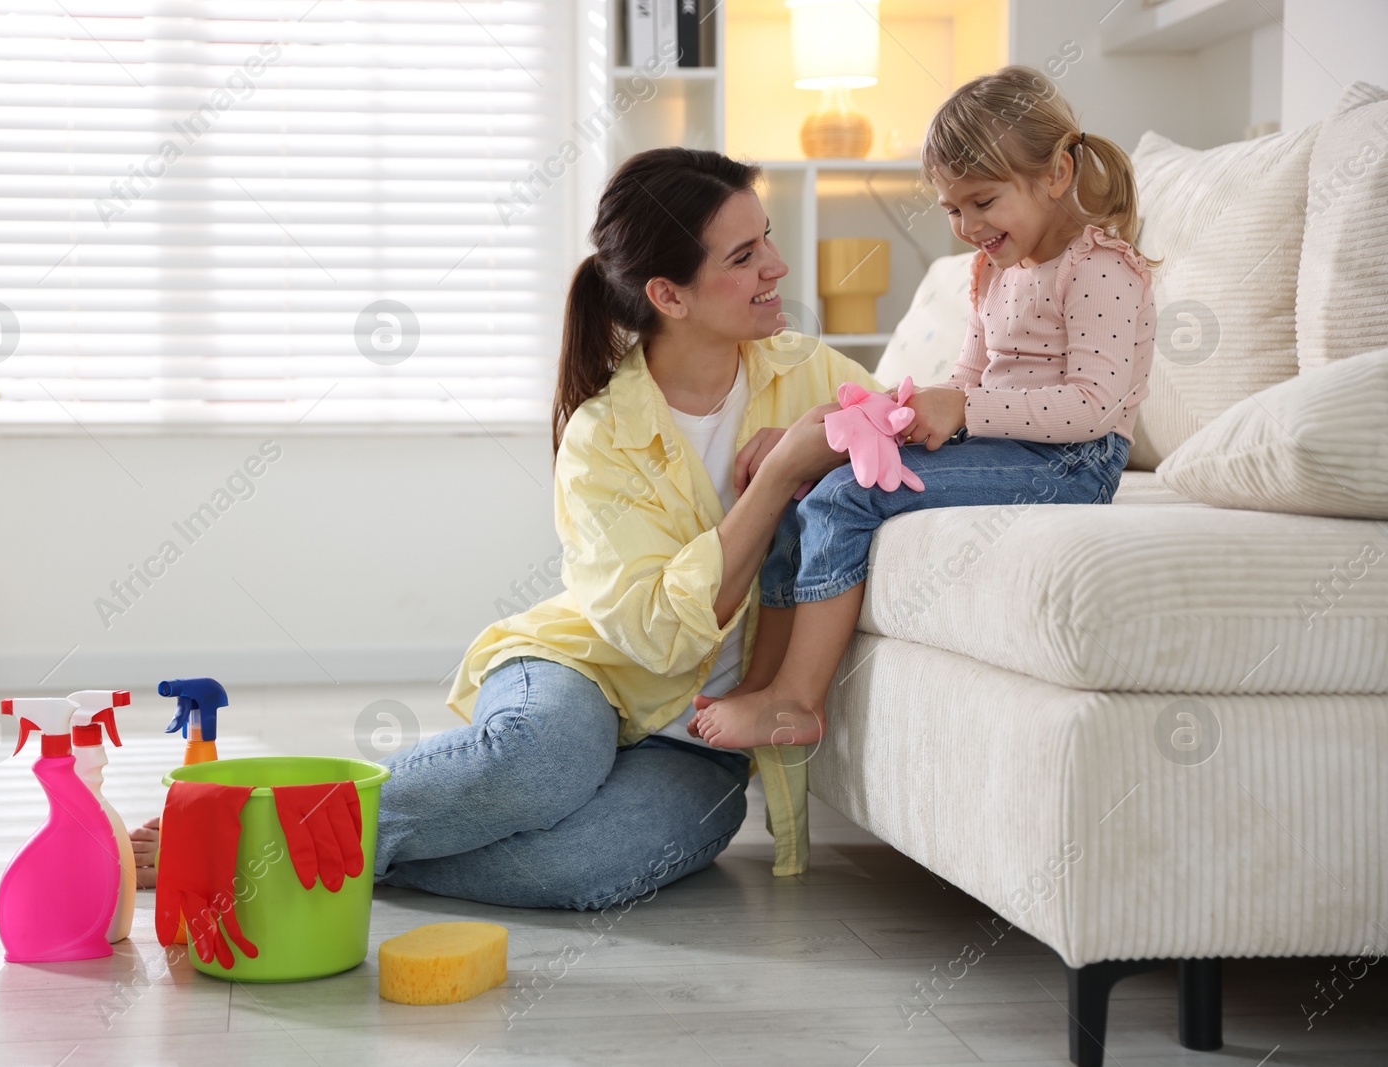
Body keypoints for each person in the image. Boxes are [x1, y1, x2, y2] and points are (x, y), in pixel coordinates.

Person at [127, 148, 871, 895]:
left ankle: (309, 848)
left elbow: (912, 442)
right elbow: (656, 633)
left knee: (587, 867)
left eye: (766, 237)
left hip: (701, 744)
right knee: (540, 762)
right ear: (668, 296)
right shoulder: (602, 434)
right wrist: (776, 480)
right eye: (745, 255)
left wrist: (891, 426)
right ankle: (251, 831)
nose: (777, 265)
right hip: (584, 673)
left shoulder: (809, 373)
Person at [688, 64, 1158, 750]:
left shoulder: (1101, 268)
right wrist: (888, 417)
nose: (966, 225)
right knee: (811, 481)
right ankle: (764, 682)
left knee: (848, 496)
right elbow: (969, 376)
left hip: (1074, 465)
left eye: (983, 202)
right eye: (952, 208)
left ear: (1056, 174)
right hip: (1008, 449)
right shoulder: (995, 270)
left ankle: (796, 700)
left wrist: (963, 408)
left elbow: (1091, 406)